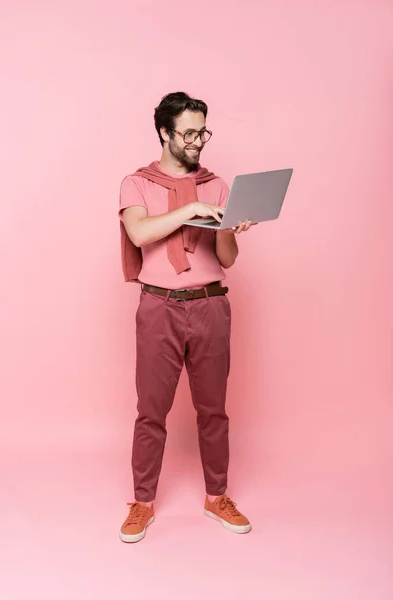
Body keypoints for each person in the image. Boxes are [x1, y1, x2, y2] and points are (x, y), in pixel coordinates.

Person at [118, 92, 255, 543]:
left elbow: (228, 259)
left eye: (203, 132)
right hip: (159, 306)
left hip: (212, 304)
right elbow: (139, 232)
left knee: (213, 409)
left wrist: (232, 230)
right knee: (150, 412)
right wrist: (190, 209)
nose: (198, 142)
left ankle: (217, 497)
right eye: (189, 133)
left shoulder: (217, 184)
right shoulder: (136, 183)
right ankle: (142, 502)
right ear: (164, 132)